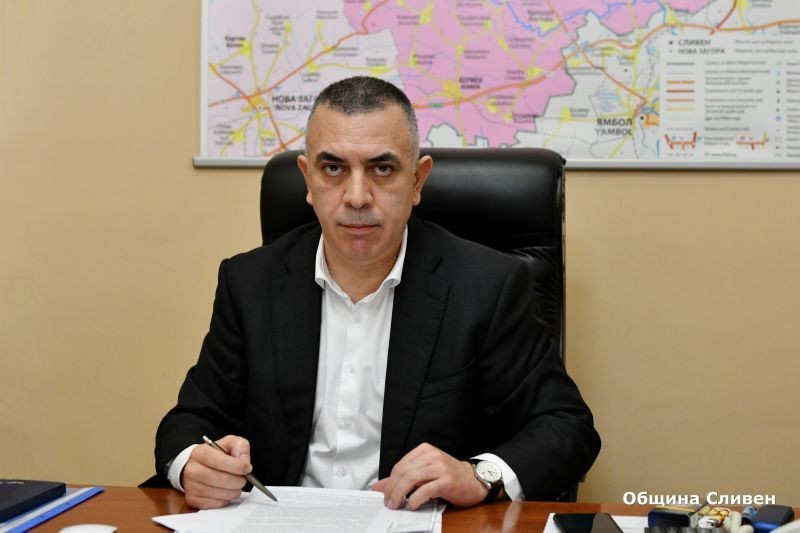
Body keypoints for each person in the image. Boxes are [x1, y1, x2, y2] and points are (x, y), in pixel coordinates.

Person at [155, 76, 600, 511]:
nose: (356, 197)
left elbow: (567, 426)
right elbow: (188, 422)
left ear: (417, 180)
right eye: (333, 168)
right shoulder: (249, 282)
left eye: (382, 169)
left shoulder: (486, 286)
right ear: (307, 179)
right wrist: (193, 464)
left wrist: (479, 475)